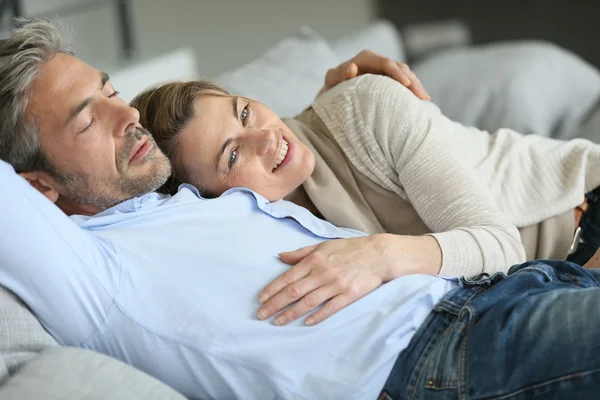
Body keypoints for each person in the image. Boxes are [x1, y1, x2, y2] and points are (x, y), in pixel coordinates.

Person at [2, 17, 600, 400]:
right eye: (87, 118)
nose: (124, 115)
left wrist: (347, 103)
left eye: (110, 90)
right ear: (37, 189)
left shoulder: (173, 195)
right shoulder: (89, 269)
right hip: (436, 356)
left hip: (502, 285)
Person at [130, 73, 600, 326]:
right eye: (233, 154)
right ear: (212, 201)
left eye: (245, 111)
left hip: (579, 216)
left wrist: (380, 254)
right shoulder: (258, 237)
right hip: (539, 290)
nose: (266, 138)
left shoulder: (364, 109)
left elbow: (500, 247)